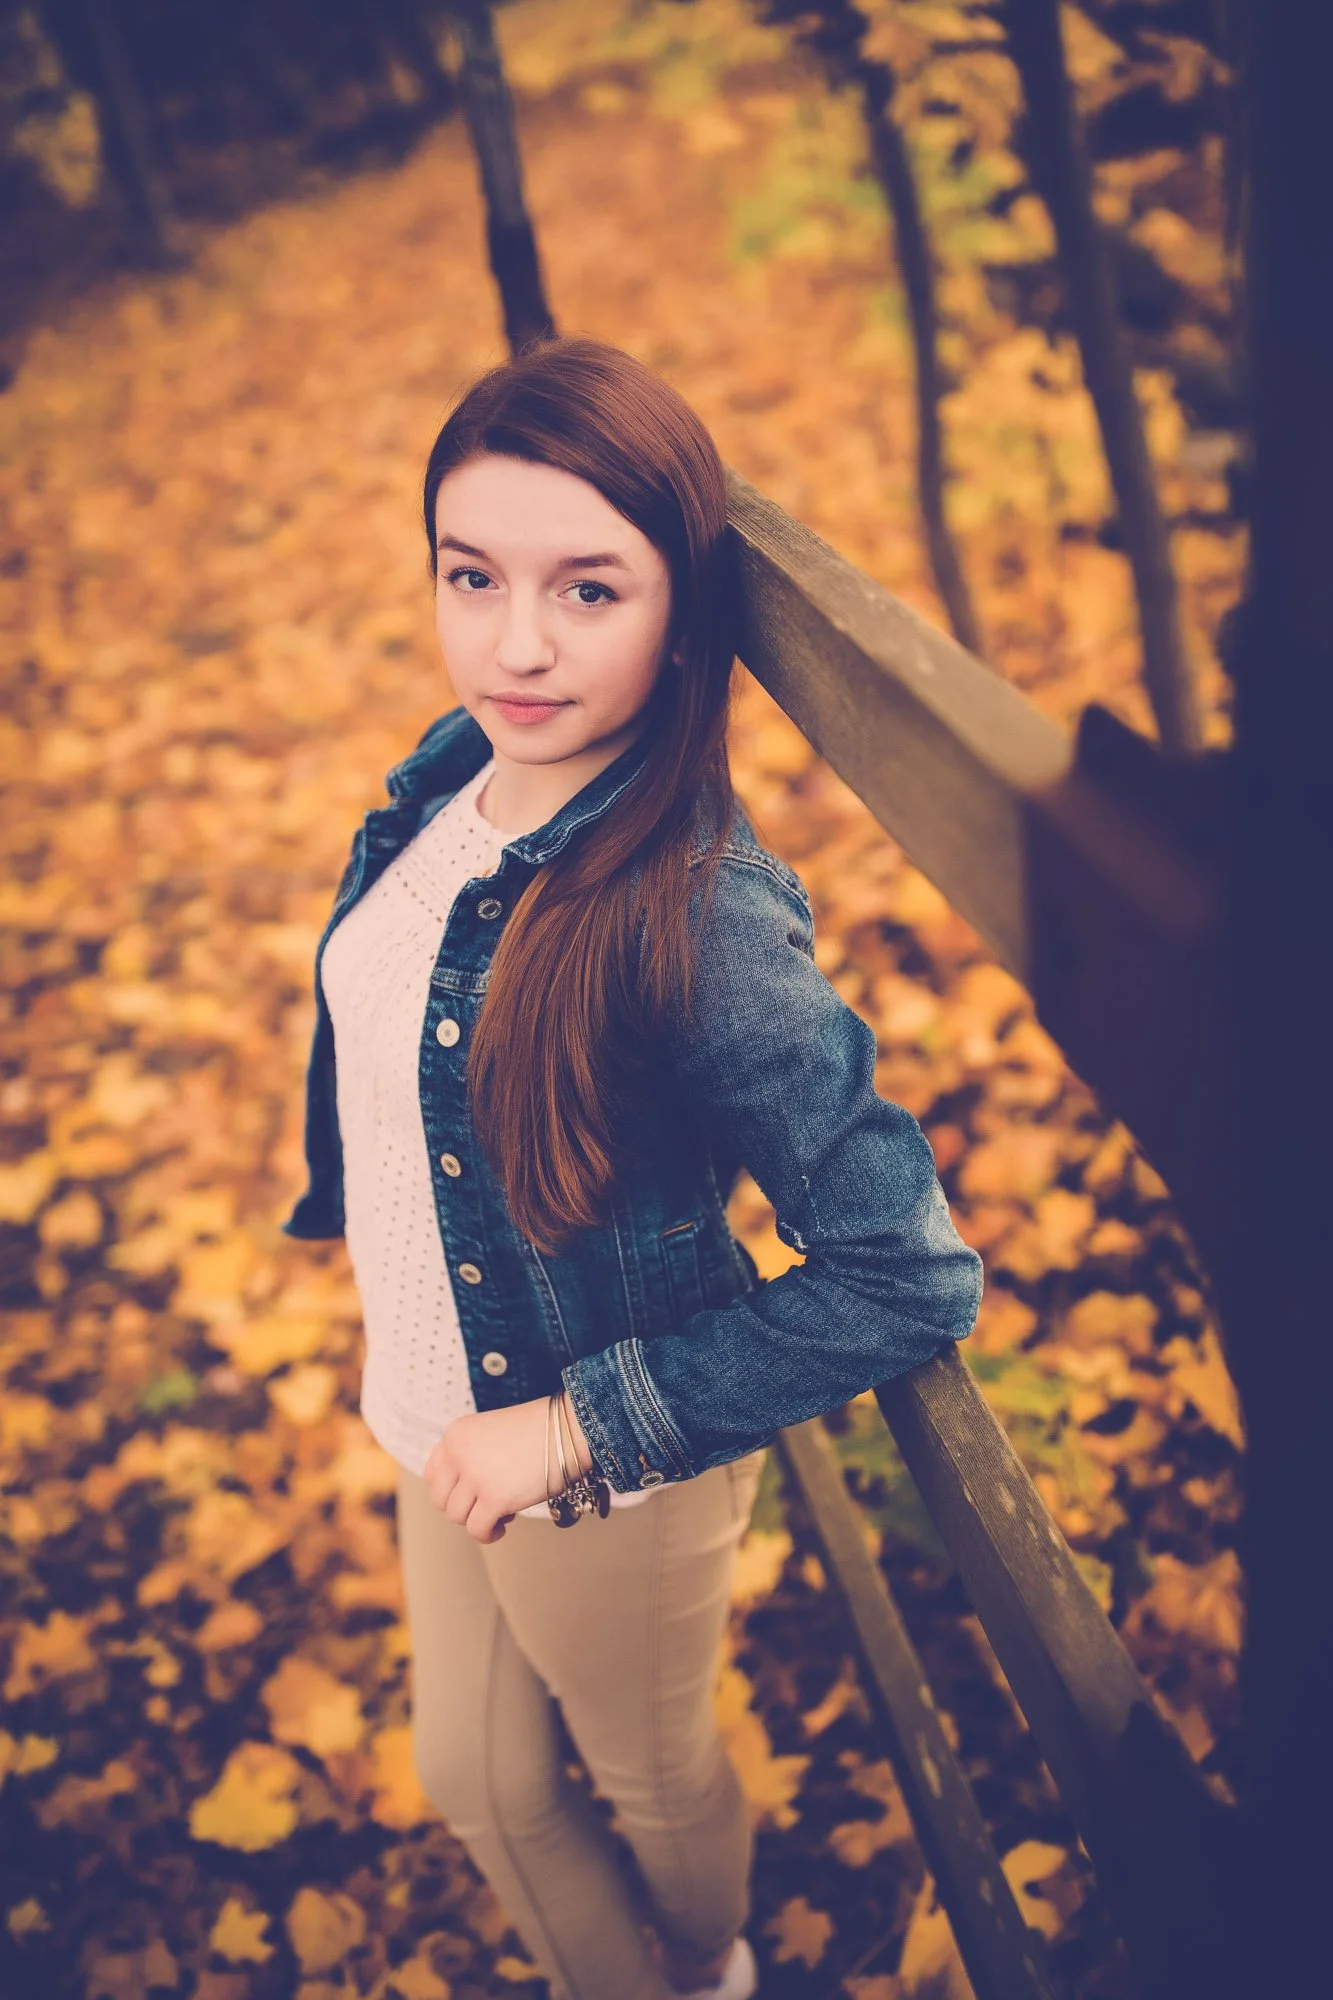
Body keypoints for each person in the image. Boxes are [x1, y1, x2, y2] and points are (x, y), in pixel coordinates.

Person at [282, 335, 983, 2000]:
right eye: (473, 575)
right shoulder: (457, 776)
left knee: (647, 1777)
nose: (514, 645)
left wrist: (582, 1429)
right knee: (474, 1779)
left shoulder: (696, 913)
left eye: (589, 590)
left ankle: (715, 1966)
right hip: (433, 1397)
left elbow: (909, 1267)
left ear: (682, 608)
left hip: (590, 1456)